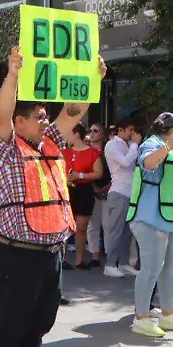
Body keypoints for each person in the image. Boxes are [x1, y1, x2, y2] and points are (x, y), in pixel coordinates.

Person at [0, 46, 102, 347]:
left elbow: (72, 114)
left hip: (50, 248)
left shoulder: (48, 143)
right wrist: (13, 74)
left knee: (40, 319)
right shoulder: (2, 146)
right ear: (18, 122)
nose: (45, 118)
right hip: (16, 252)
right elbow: (1, 112)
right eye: (37, 115)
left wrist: (92, 80)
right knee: (13, 323)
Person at [128, 112, 173, 337]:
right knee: (151, 269)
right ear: (171, 129)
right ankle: (141, 318)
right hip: (150, 218)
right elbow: (148, 163)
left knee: (170, 268)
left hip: (168, 219)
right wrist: (169, 145)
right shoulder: (153, 144)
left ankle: (168, 315)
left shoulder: (170, 147)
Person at [103, 119, 142, 278]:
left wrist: (133, 145)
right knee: (116, 231)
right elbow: (126, 163)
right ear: (120, 130)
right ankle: (110, 264)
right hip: (118, 192)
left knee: (127, 232)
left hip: (129, 193)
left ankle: (124, 263)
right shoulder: (112, 145)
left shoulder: (127, 145)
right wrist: (135, 144)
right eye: (130, 129)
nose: (132, 133)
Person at [63, 123, 104, 270]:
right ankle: (61, 259)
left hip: (84, 189)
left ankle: (79, 260)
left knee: (81, 227)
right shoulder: (65, 152)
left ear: (76, 133)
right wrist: (65, 178)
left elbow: (98, 173)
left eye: (68, 132)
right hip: (68, 189)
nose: (66, 136)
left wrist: (80, 175)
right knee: (65, 226)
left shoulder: (93, 153)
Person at [86, 123, 110, 267]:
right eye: (91, 131)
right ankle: (94, 255)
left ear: (102, 134)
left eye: (96, 131)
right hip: (93, 190)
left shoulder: (109, 150)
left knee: (108, 225)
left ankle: (109, 254)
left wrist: (106, 188)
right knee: (93, 224)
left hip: (109, 189)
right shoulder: (87, 151)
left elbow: (116, 171)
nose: (92, 133)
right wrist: (95, 189)